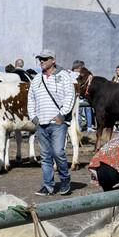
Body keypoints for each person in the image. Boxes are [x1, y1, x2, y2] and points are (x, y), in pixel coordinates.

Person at [27, 49, 75, 196]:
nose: (41, 61)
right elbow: (31, 99)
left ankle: (65, 180)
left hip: (57, 123)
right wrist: (33, 117)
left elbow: (70, 96)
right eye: (40, 59)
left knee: (58, 152)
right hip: (41, 123)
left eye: (45, 59)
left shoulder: (63, 76)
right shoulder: (36, 79)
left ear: (53, 60)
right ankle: (48, 186)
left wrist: (62, 115)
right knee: (45, 156)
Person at [71, 60, 94, 132]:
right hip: (76, 97)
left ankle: (85, 126)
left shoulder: (82, 74)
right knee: (78, 112)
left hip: (82, 97)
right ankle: (80, 127)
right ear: (79, 67)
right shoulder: (73, 75)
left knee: (84, 111)